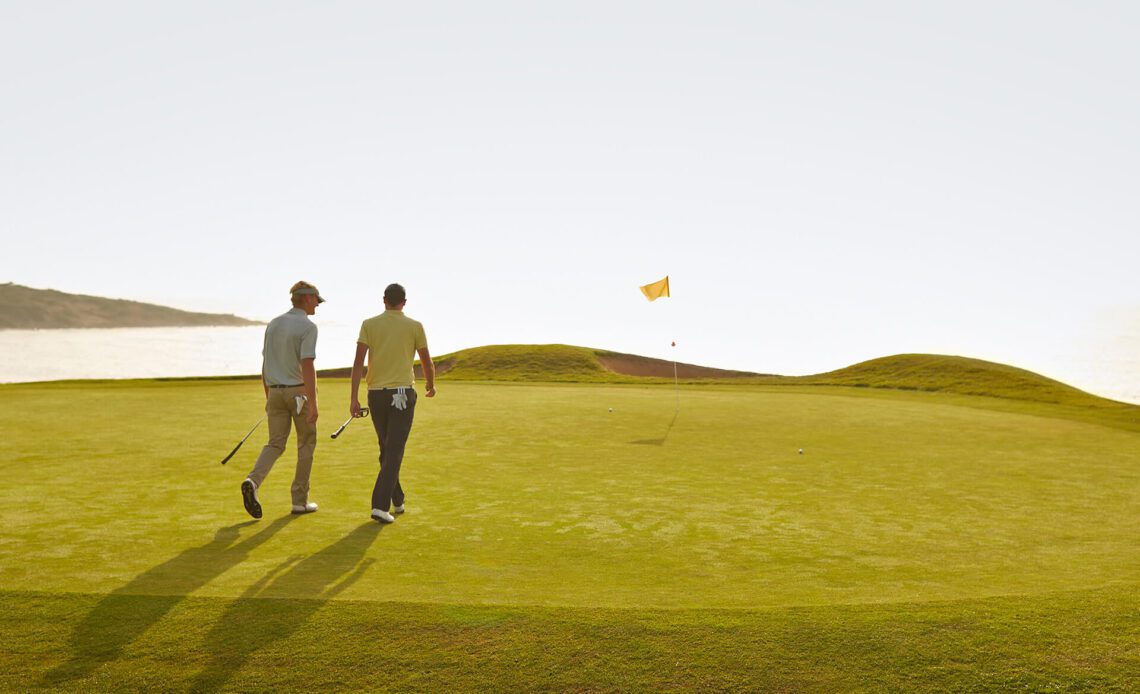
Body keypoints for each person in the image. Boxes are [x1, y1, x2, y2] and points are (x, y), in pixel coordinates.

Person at [350, 283, 435, 523]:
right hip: (402, 395)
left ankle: (397, 500)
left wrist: (353, 397)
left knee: (387, 449)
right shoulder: (415, 326)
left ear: (384, 299)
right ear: (404, 302)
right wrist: (431, 384)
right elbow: (427, 362)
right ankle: (380, 505)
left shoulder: (369, 324)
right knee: (394, 450)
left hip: (376, 395)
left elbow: (358, 364)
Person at [241, 281, 323, 519]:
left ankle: (252, 481)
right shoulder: (308, 327)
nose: (317, 304)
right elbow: (307, 364)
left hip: (274, 390)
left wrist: (269, 396)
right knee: (306, 443)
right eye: (317, 300)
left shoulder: (274, 323)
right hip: (298, 392)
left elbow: (266, 363)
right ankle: (300, 501)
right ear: (307, 299)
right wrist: (313, 401)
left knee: (275, 444)